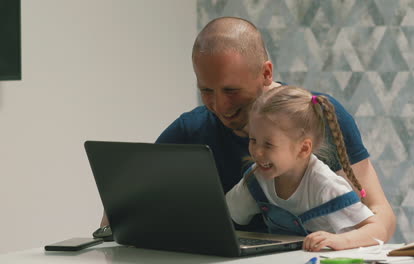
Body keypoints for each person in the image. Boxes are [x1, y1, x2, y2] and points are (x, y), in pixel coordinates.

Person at [98, 16, 395, 244]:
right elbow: (121, 212)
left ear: (266, 73)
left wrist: (340, 241)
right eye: (206, 90)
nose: (219, 106)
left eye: (231, 90)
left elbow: (380, 215)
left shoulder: (319, 116)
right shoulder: (190, 130)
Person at [226, 85, 383, 251]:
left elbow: (377, 230)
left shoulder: (325, 185)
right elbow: (227, 214)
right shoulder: (256, 177)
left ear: (303, 149)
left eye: (268, 144)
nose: (257, 152)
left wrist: (340, 240)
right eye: (253, 140)